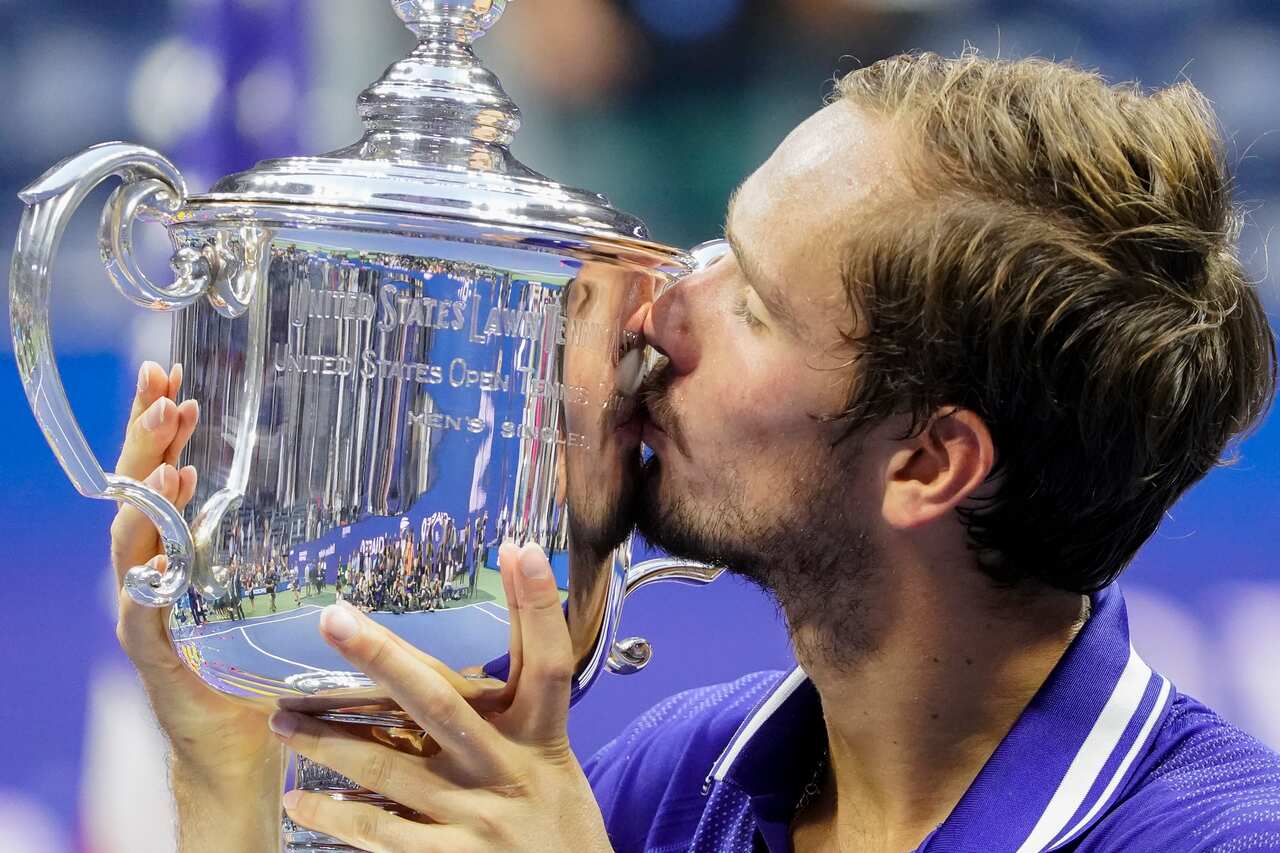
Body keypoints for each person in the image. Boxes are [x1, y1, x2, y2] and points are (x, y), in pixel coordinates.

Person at [109, 53, 1279, 852]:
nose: (659, 307)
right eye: (716, 242)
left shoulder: (1213, 834)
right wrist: (228, 768)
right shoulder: (688, 773)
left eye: (755, 300)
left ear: (928, 463)